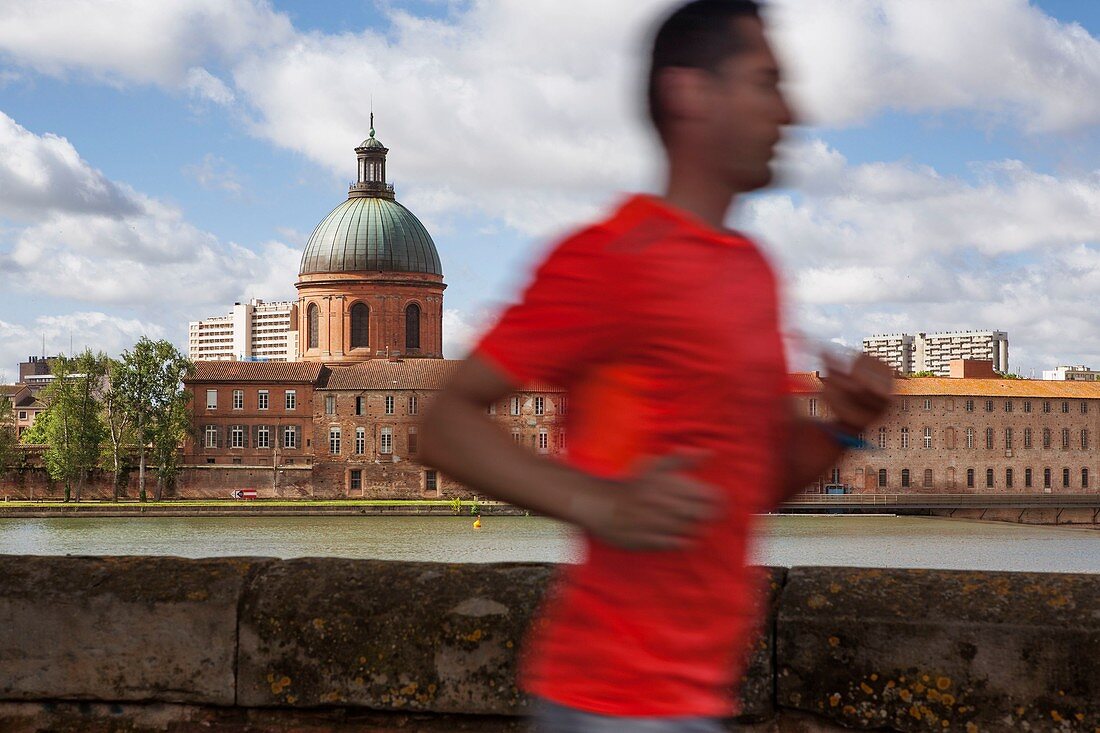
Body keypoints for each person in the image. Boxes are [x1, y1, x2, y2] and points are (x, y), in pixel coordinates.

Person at [421, 1, 894, 730]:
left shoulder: (754, 274)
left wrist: (844, 426)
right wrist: (599, 502)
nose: (789, 111)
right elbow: (445, 422)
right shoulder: (614, 258)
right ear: (690, 94)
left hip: (696, 698)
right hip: (608, 700)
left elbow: (753, 480)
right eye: (765, 82)